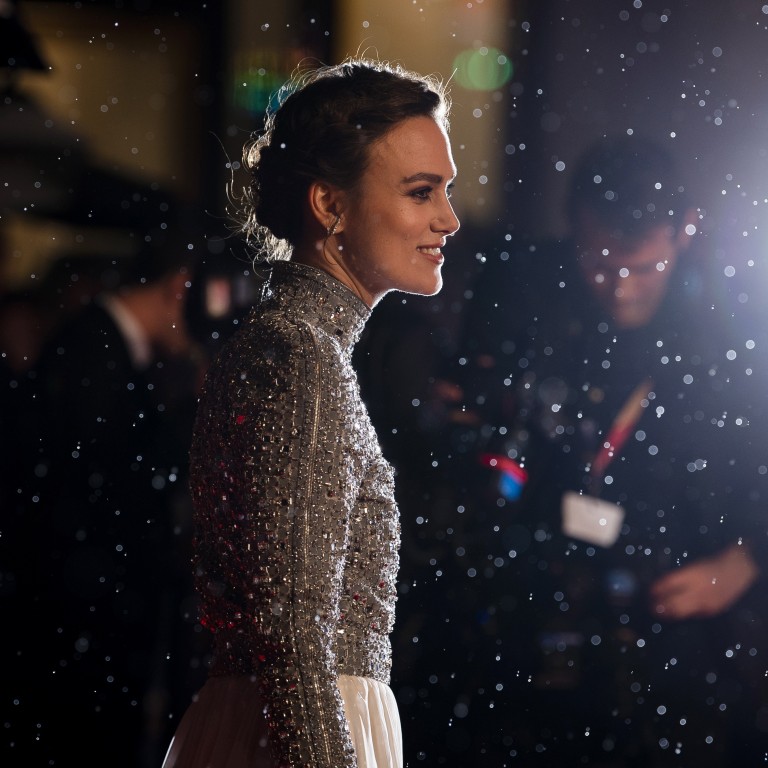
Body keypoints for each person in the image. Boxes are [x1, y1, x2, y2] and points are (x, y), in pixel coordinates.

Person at [161, 58, 460, 768]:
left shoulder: (294, 347)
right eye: (421, 192)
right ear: (329, 205)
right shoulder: (297, 355)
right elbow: (291, 633)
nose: (448, 219)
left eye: (446, 191)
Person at [455, 136, 768, 766]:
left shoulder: (736, 316)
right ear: (574, 228)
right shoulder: (525, 291)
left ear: (684, 231)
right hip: (538, 595)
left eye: (644, 268)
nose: (620, 288)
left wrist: (748, 559)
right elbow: (476, 425)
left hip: (683, 616)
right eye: (600, 263)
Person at [3, 226, 201, 767]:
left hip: (93, 601)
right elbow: (113, 479)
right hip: (84, 604)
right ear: (178, 288)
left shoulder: (103, 344)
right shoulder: (93, 349)